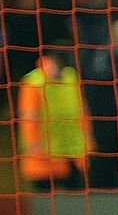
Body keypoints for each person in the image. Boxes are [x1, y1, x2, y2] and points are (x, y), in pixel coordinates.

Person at [18, 49, 93, 191]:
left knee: (76, 205)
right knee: (46, 206)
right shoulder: (34, 82)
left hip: (72, 155)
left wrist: (88, 141)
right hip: (44, 159)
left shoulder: (71, 77)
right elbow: (29, 119)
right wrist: (35, 147)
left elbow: (82, 111)